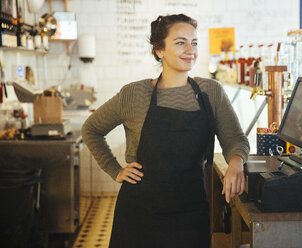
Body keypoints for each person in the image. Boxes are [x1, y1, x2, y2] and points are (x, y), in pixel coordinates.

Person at [82, 14, 250, 248]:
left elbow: (235, 139)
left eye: (194, 42)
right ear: (159, 50)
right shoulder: (133, 95)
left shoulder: (211, 92)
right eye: (180, 42)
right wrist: (115, 170)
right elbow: (91, 129)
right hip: (138, 215)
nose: (190, 50)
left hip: (190, 213)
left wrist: (236, 161)